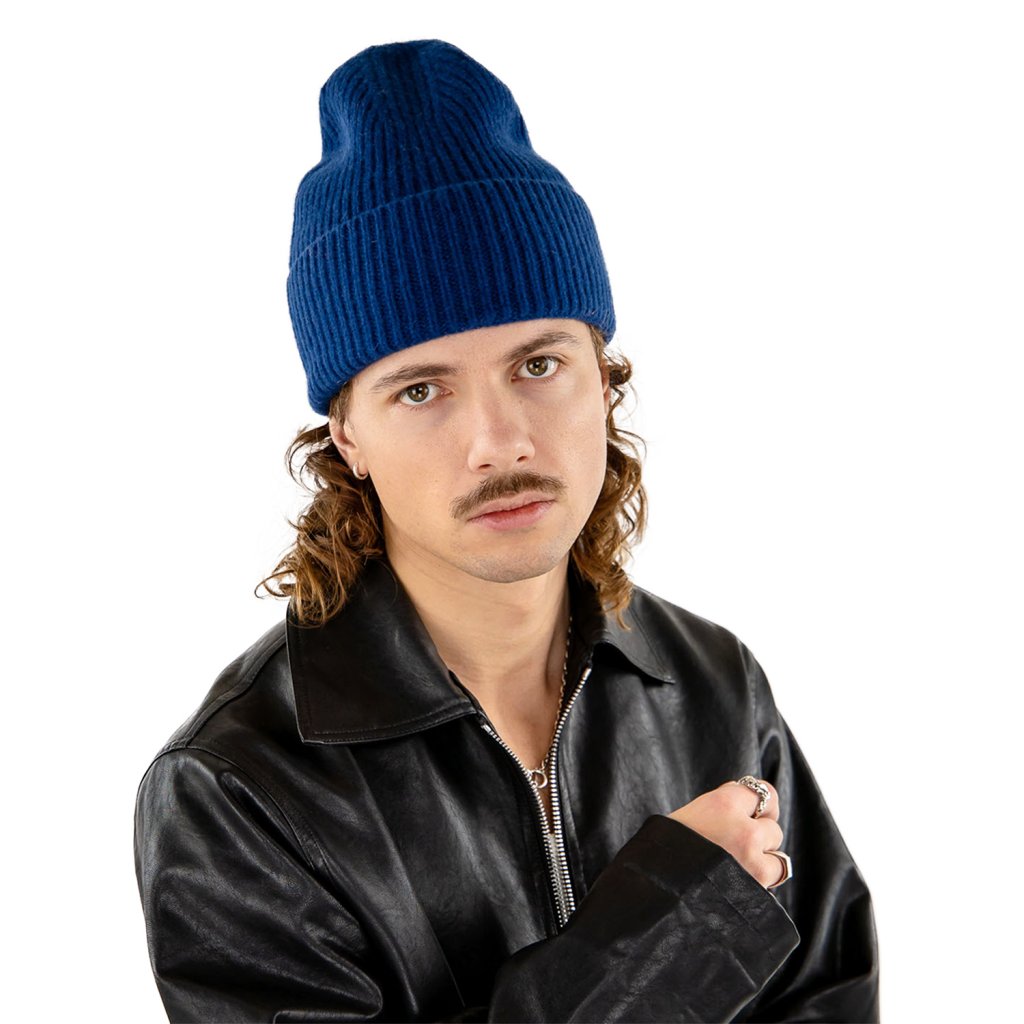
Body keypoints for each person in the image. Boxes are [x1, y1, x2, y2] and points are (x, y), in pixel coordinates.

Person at [134, 39, 879, 1023]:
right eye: (422, 389)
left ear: (603, 380)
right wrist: (657, 943)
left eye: (538, 365)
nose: (499, 441)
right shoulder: (240, 784)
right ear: (349, 436)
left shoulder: (710, 685)